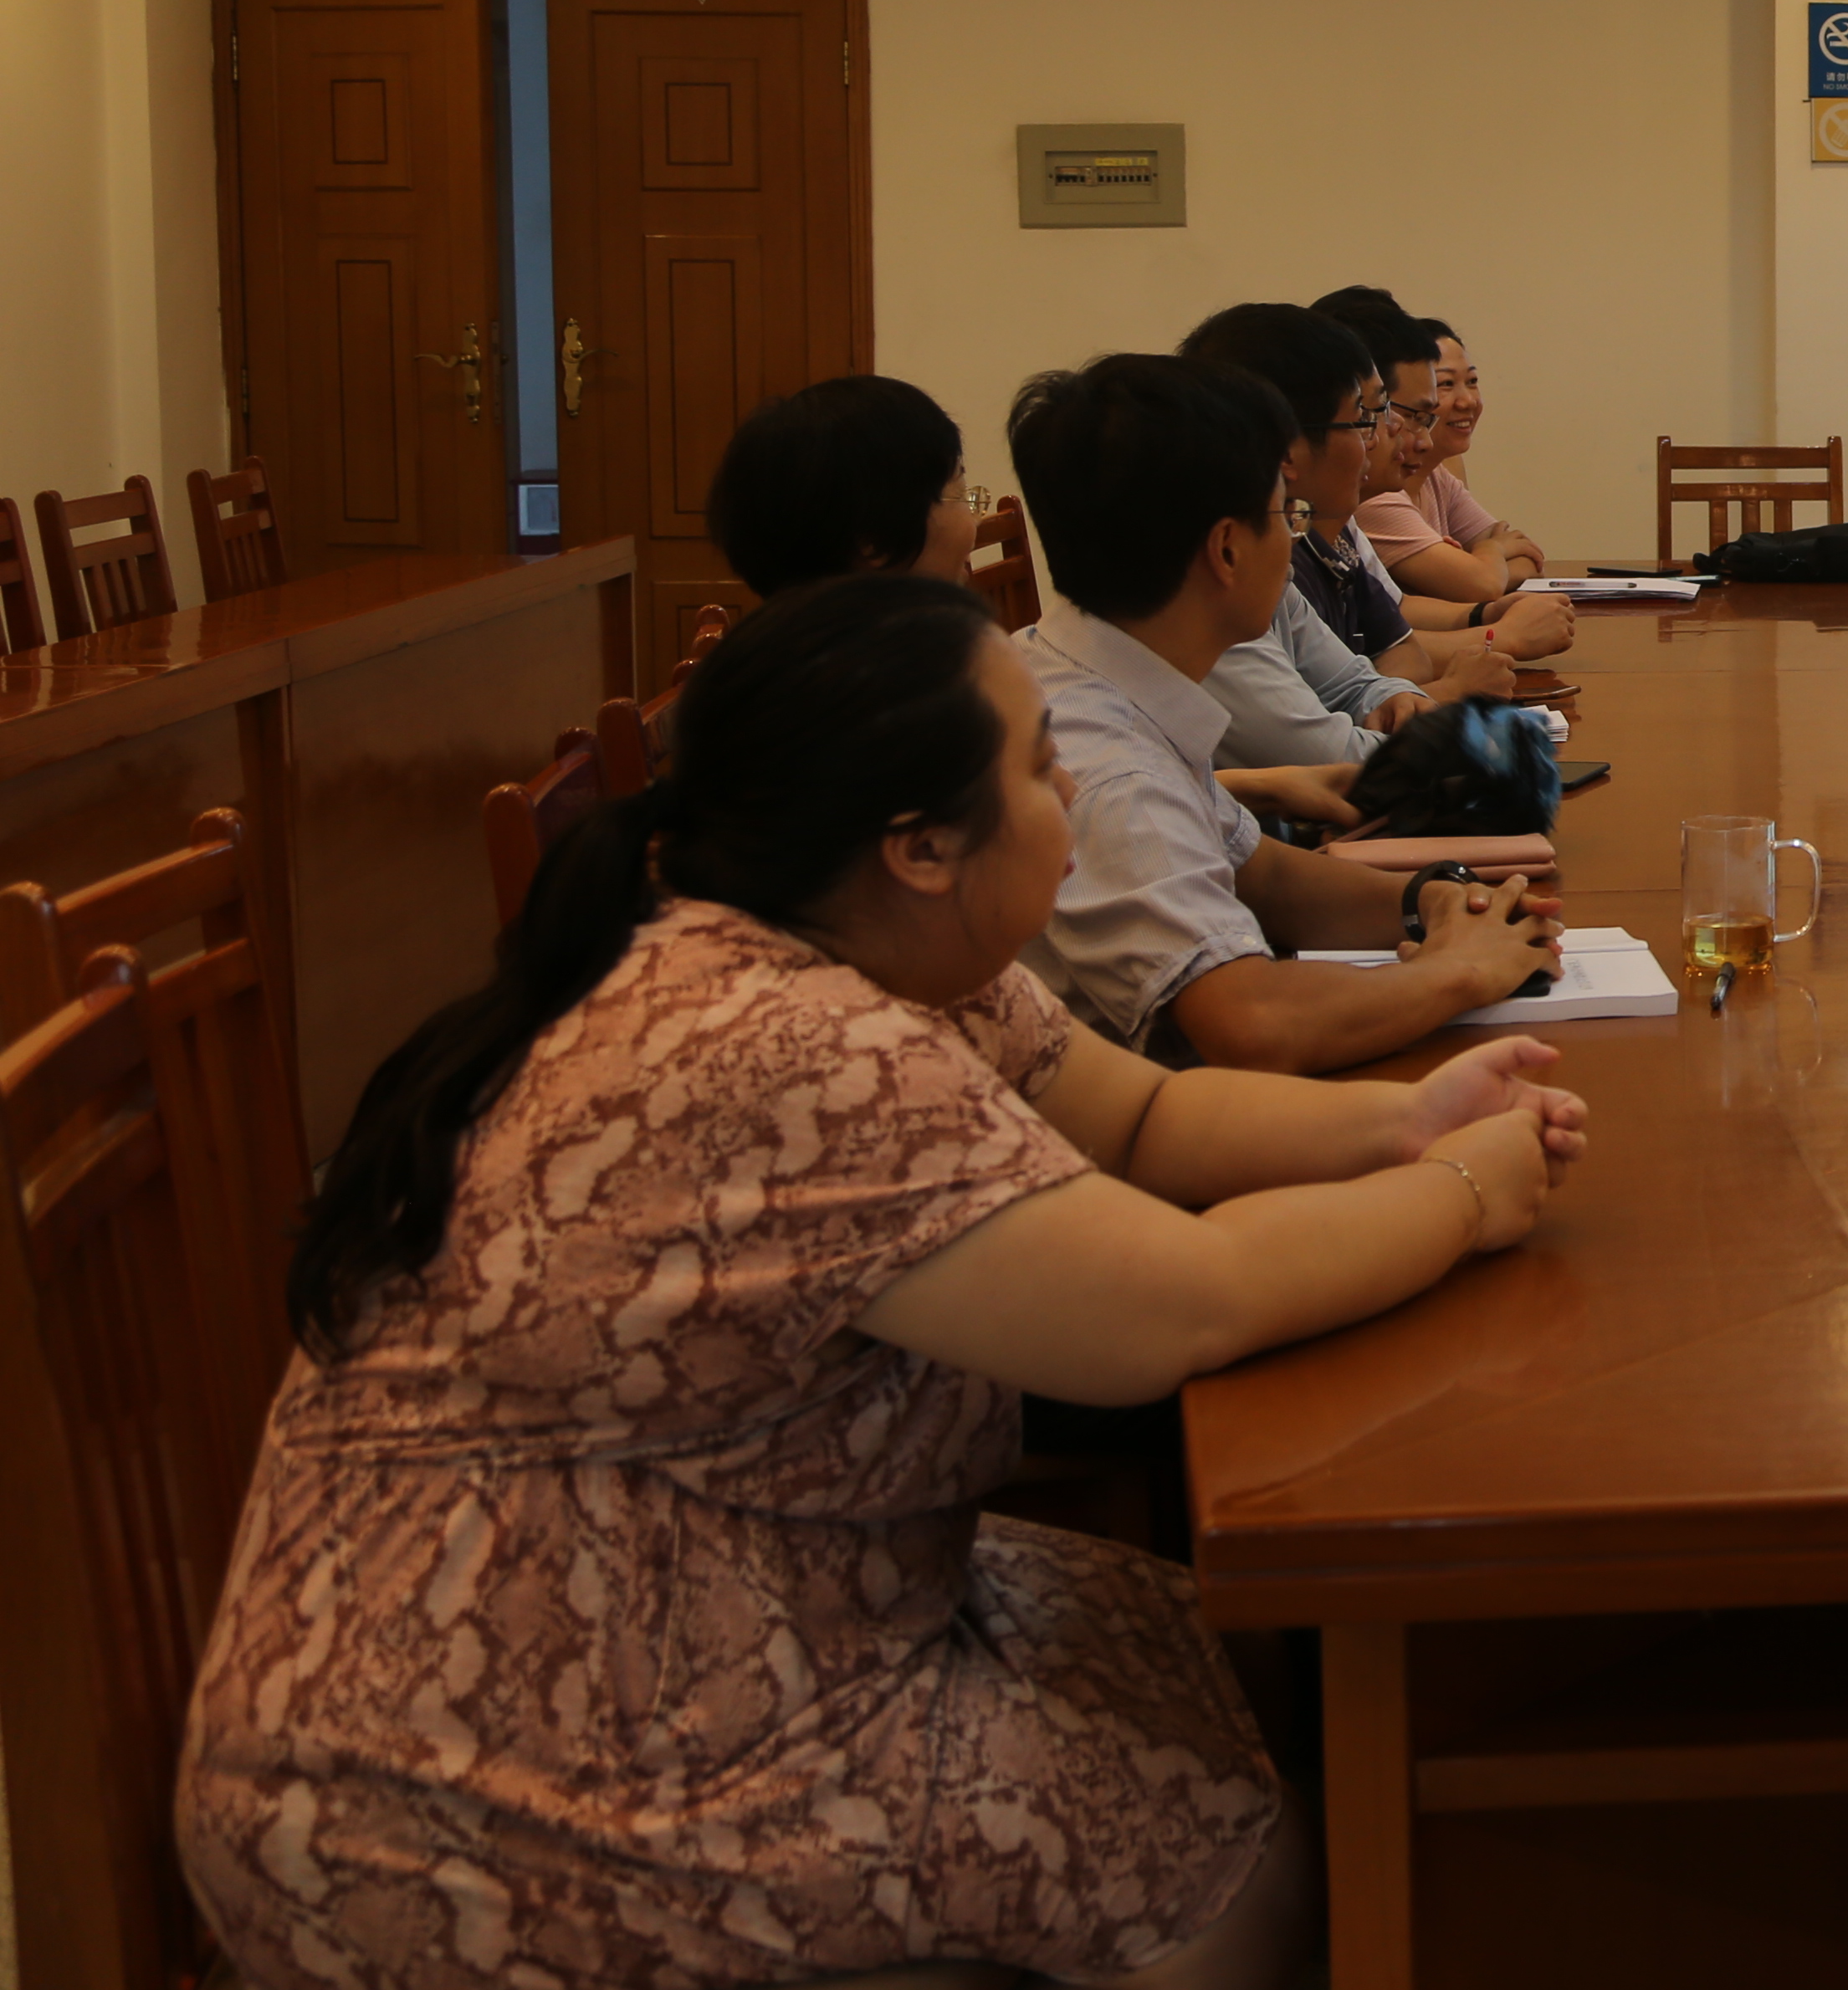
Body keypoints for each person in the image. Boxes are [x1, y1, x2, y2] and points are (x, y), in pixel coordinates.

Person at [177, 571, 1589, 1990]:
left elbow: (1152, 1120)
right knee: (1241, 1866)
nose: (1069, 794)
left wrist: (1408, 1122)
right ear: (919, 846)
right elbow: (1190, 1299)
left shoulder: (874, 942)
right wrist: (1461, 1196)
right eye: (1038, 766)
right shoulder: (793, 1046)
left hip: (706, 1576)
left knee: (1206, 1652)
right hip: (468, 1762)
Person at [1007, 351, 1564, 1069]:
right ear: (1227, 550)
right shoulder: (1111, 773)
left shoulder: (1092, 671)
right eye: (1285, 514)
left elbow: (1266, 876)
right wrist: (1459, 971)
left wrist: (1437, 900)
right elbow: (1250, 1021)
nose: (1295, 538)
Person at [1176, 304, 1544, 773]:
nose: (1384, 436)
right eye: (1366, 417)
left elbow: (1357, 682)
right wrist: (1451, 695)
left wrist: (1405, 704)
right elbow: (1332, 757)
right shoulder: (1215, 581)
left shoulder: (1283, 546)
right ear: (1285, 448)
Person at [701, 371, 975, 597]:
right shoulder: (916, 647)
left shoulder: (776, 641)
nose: (976, 520)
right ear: (877, 542)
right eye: (960, 493)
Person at [1359, 309, 1550, 594]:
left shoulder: (1438, 476)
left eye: (1472, 381)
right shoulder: (1375, 494)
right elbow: (1480, 584)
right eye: (1446, 384)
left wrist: (1483, 562)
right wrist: (1492, 552)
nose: (1468, 401)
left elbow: (1529, 558)